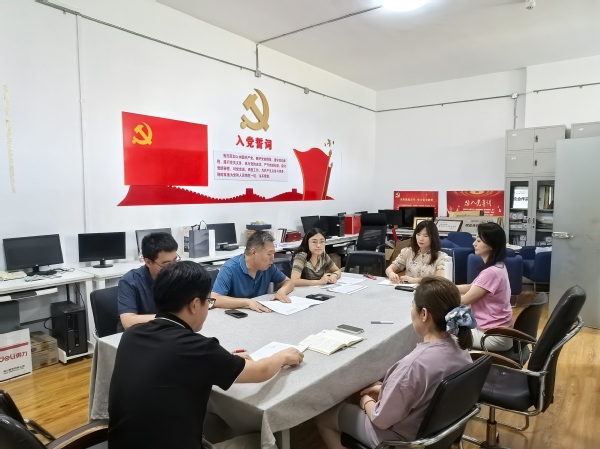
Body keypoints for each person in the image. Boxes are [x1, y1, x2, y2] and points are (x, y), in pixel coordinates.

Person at [107, 261, 304, 449]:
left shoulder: (131, 335)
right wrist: (282, 357)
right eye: (208, 302)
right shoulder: (199, 348)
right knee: (263, 441)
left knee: (215, 422)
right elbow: (261, 371)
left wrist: (226, 360)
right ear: (194, 305)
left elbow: (173, 363)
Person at [315, 277, 475, 448]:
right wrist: (386, 389)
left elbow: (381, 420)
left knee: (324, 417)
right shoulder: (462, 348)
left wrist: (365, 401)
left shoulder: (414, 365)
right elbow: (424, 389)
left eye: (413, 305)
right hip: (439, 431)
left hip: (401, 440)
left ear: (424, 314)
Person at [457, 222, 513, 351]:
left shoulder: (491, 272)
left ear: (491, 245)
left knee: (441, 331)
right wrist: (445, 287)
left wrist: (436, 297)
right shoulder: (498, 266)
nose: (474, 244)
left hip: (492, 336)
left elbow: (463, 301)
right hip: (499, 332)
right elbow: (472, 287)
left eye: (478, 241)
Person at [211, 230, 294, 312]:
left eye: (273, 254)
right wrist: (247, 302)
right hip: (237, 315)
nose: (272, 258)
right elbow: (214, 299)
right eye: (269, 254)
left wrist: (281, 292)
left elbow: (288, 282)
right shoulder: (229, 268)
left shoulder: (269, 267)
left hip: (260, 313)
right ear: (254, 252)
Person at [117, 232, 179, 331]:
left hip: (167, 331)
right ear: (148, 262)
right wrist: (168, 318)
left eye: (175, 261)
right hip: (137, 334)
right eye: (167, 264)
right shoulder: (130, 281)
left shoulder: (178, 276)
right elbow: (128, 322)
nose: (173, 268)